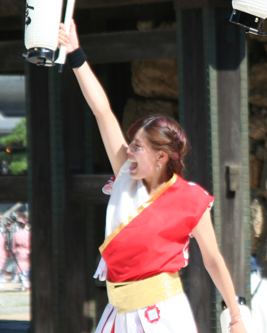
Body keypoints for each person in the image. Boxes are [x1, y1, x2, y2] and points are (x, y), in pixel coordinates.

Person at [58, 24, 247, 333]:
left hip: (162, 315)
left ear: (161, 157)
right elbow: (102, 112)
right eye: (130, 144)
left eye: (138, 146)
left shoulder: (190, 199)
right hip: (117, 312)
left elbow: (213, 260)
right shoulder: (125, 175)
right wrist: (77, 57)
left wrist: (236, 317)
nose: (128, 151)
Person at [11, 220, 30, 291]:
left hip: (20, 251)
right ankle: (27, 283)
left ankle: (25, 284)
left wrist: (14, 252)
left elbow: (13, 245)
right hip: (29, 250)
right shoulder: (29, 233)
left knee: (21, 269)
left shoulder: (16, 234)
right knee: (28, 268)